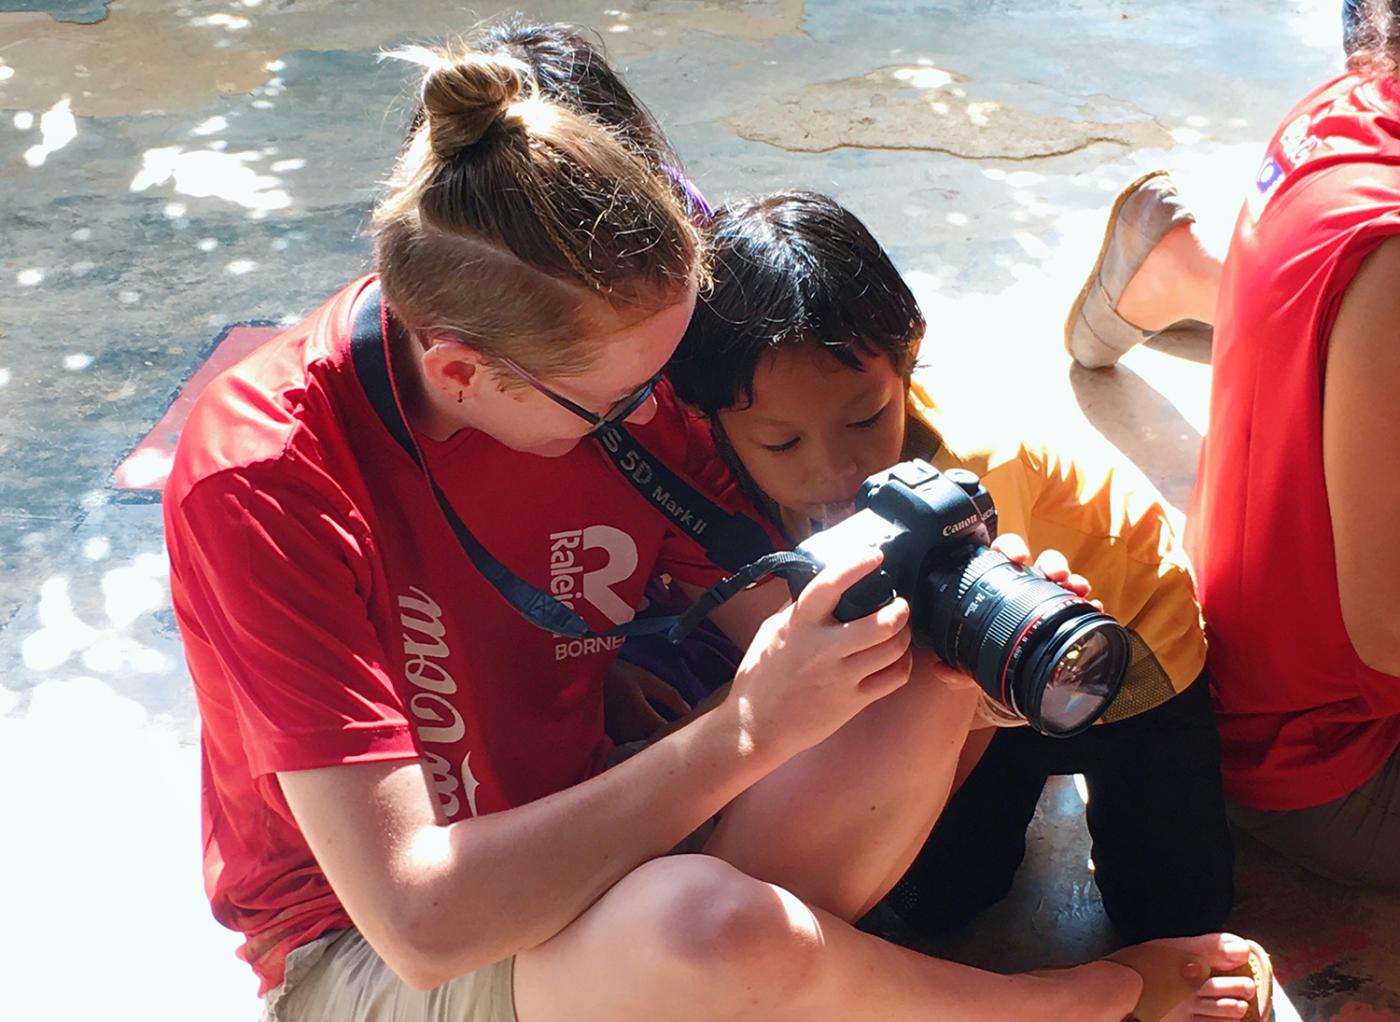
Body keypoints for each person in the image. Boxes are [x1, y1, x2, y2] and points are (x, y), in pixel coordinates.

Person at [164, 29, 1274, 1022]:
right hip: (377, 945)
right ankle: (1065, 1006)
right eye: (617, 403)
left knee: (911, 664)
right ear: (463, 371)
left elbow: (810, 626)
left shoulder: (611, 375)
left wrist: (957, 640)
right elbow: (422, 921)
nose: (658, 417)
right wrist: (742, 730)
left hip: (589, 821)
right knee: (706, 928)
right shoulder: (265, 474)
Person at [666, 190, 1236, 944]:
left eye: (865, 419)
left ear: (908, 357)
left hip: (1119, 642)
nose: (835, 472)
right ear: (709, 417)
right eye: (782, 443)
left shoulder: (973, 476)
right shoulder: (711, 477)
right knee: (936, 901)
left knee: (1176, 916)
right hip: (968, 686)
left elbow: (965, 688)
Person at [1062, 0, 1400, 889]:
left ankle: (1178, 268)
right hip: (1328, 751)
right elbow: (1389, 629)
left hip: (1252, 655)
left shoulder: (1351, 102)